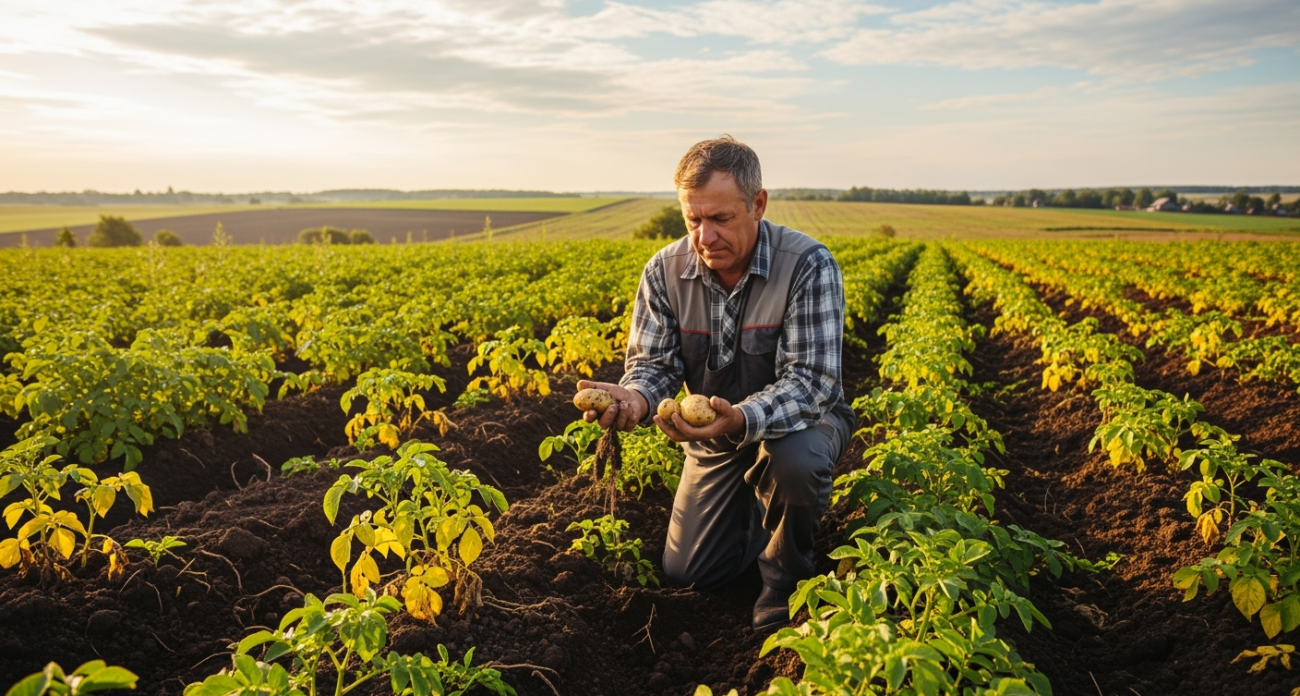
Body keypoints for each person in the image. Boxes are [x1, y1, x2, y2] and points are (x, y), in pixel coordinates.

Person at [577, 135, 855, 633]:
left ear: (758, 205)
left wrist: (745, 417)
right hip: (716, 438)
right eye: (693, 220)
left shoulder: (807, 265)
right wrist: (638, 398)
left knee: (795, 461)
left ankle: (787, 579)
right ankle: (758, 511)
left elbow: (812, 383)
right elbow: (654, 365)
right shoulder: (664, 271)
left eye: (720, 219)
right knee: (690, 572)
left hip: (800, 425)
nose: (704, 236)